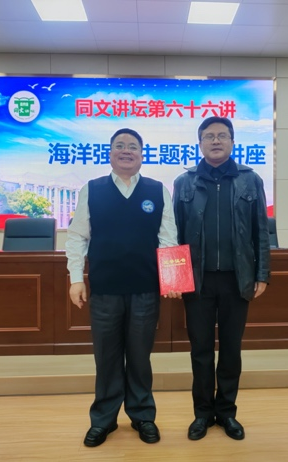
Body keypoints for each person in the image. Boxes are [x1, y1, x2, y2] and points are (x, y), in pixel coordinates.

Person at [65, 128, 180, 448]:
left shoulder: (157, 190)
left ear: (142, 154)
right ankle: (103, 419)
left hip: (145, 289)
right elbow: (77, 236)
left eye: (132, 146)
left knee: (140, 357)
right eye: (119, 146)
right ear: (110, 153)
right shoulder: (92, 190)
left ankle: (143, 415)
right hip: (105, 290)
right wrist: (76, 278)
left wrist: (172, 279)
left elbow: (168, 238)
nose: (126, 150)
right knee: (107, 357)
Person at [172, 116, 270, 441]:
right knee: (200, 351)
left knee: (230, 350)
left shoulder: (250, 179)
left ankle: (227, 413)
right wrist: (176, 278)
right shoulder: (184, 182)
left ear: (232, 142)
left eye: (222, 136)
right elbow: (174, 234)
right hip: (197, 282)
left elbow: (261, 231)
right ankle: (202, 414)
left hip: (236, 280)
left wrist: (262, 274)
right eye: (210, 136)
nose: (216, 141)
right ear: (200, 143)